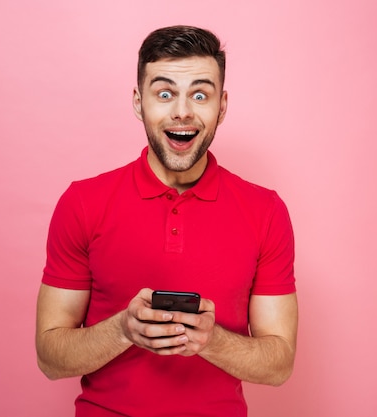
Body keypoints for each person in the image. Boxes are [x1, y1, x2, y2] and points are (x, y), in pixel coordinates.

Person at [35, 25, 298, 417]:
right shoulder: (82, 203)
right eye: (164, 93)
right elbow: (50, 358)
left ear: (221, 106)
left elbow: (279, 365)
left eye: (199, 94)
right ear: (139, 102)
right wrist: (123, 329)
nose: (182, 111)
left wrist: (210, 341)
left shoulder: (266, 211)